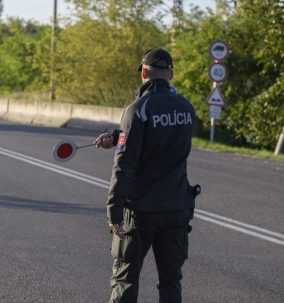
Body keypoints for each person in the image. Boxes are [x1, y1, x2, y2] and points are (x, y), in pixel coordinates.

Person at [94, 48, 199, 303]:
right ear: (170, 74)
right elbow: (162, 140)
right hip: (176, 208)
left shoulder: (138, 108)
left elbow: (124, 165)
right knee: (171, 282)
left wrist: (113, 211)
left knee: (125, 279)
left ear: (143, 72)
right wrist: (119, 135)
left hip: (140, 212)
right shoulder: (186, 108)